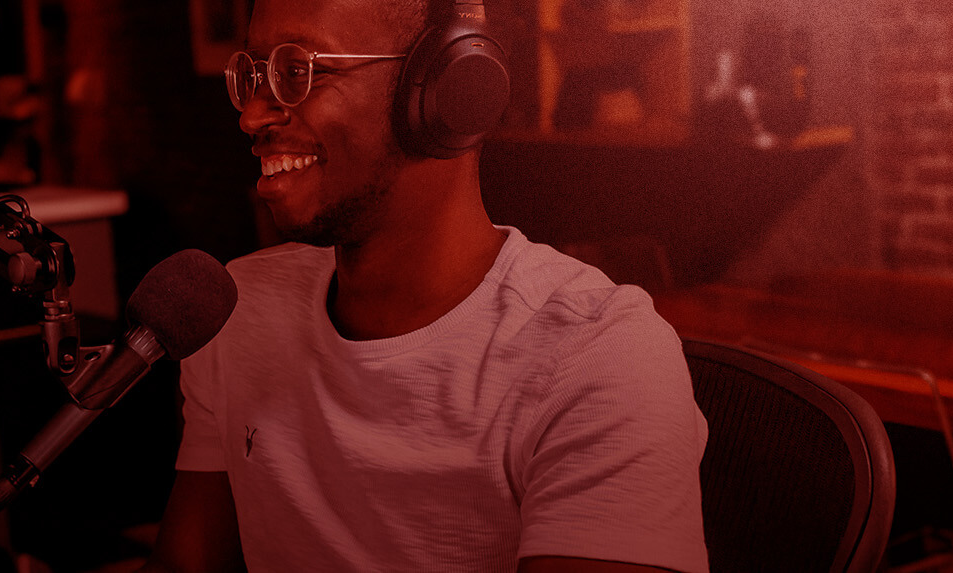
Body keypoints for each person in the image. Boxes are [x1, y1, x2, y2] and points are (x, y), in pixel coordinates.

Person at [136, 0, 710, 571]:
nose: (252, 117)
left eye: (297, 72)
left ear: (450, 87)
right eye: (254, 75)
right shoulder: (235, 309)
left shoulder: (597, 357)